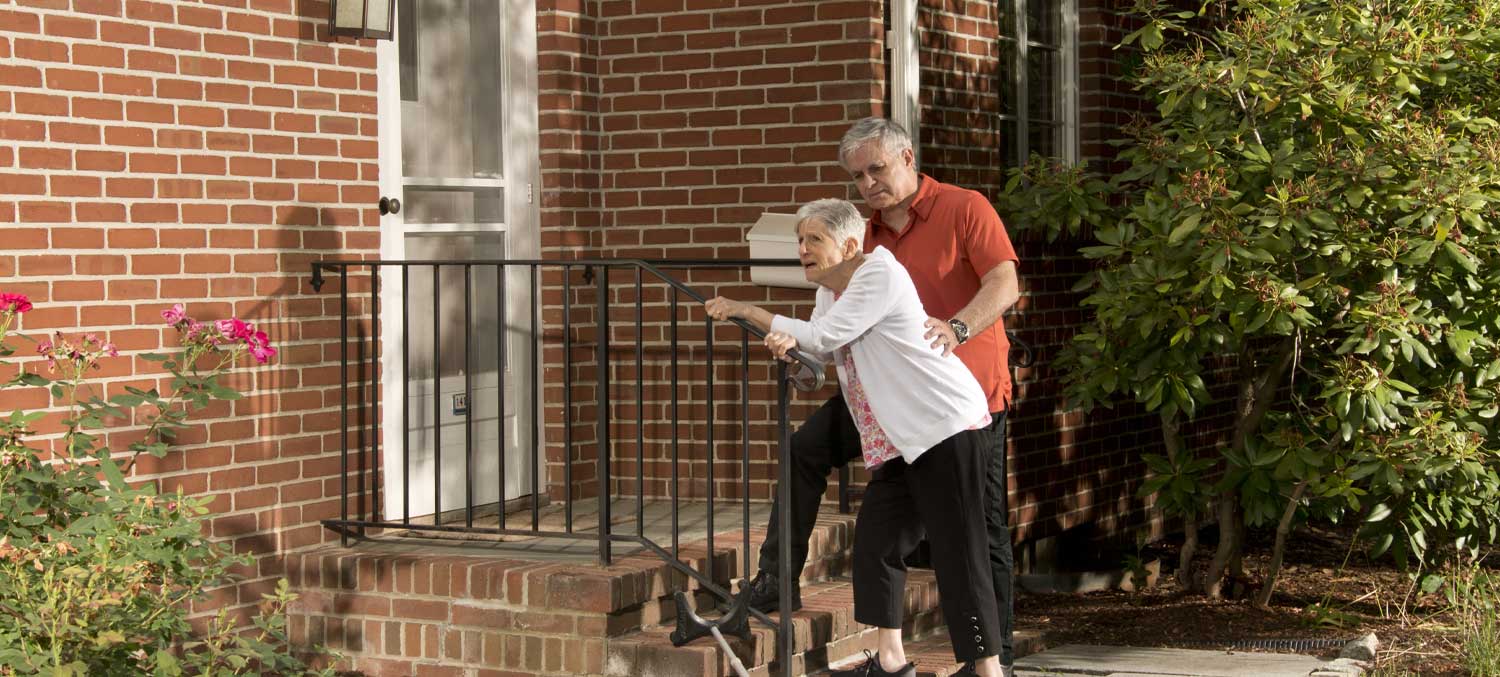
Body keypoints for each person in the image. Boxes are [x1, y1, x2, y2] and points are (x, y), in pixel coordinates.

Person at [730, 117, 1023, 673]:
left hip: (962, 395)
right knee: (806, 449)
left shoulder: (964, 208)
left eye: (877, 169)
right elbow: (833, 327)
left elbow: (1004, 282)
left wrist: (958, 327)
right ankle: (777, 577)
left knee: (977, 538)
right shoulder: (862, 237)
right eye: (858, 176)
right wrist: (804, 359)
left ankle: (994, 660)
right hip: (881, 397)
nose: (868, 184)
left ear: (908, 158)